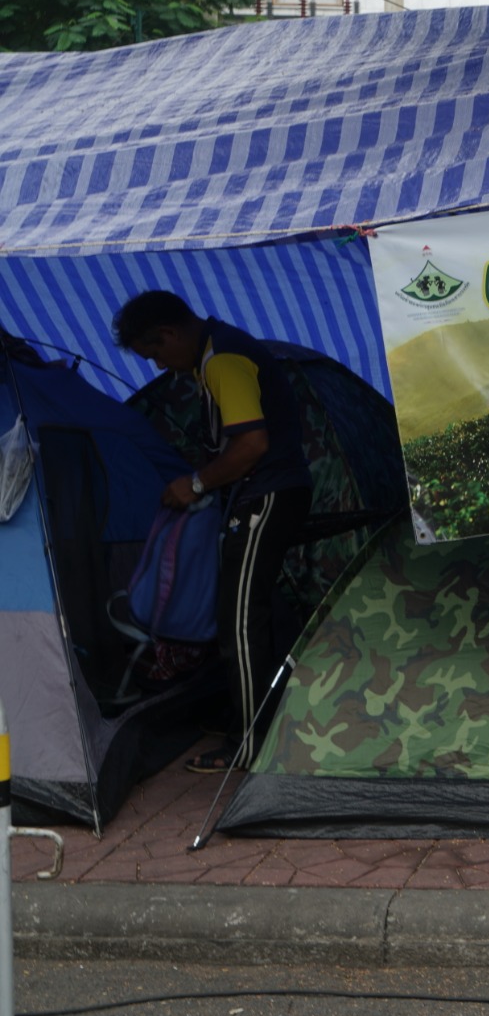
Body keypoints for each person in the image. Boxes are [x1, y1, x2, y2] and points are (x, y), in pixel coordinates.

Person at [114, 290, 313, 773]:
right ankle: (269, 716)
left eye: (155, 353)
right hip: (267, 494)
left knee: (239, 622)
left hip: (268, 496)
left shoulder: (222, 359)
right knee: (260, 612)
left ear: (169, 333)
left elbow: (251, 444)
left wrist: (197, 482)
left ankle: (251, 744)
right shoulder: (211, 354)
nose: (159, 366)